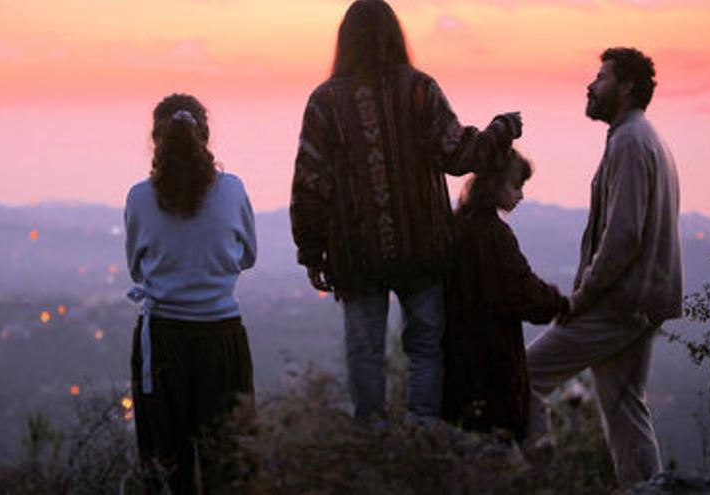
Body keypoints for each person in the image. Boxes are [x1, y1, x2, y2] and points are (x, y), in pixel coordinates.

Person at [290, 0, 523, 425]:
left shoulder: (325, 102)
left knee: (364, 350)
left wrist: (311, 251)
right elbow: (458, 153)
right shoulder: (419, 90)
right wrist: (501, 129)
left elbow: (310, 183)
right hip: (423, 246)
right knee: (425, 346)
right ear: (396, 36)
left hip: (357, 253)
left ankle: (373, 438)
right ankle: (424, 433)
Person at [526, 47, 682, 486]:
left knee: (524, 378)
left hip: (617, 304)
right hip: (641, 303)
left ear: (626, 86)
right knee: (625, 407)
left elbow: (623, 236)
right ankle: (646, 487)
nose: (590, 87)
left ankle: (537, 479)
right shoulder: (643, 137)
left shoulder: (631, 142)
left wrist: (581, 298)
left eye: (601, 77)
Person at [125, 93, 257, 494]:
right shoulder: (232, 191)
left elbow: (137, 267)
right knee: (229, 459)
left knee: (166, 462)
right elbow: (248, 256)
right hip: (222, 338)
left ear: (155, 139)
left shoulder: (140, 198)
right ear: (206, 136)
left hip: (163, 340)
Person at [442, 149, 568, 441]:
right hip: (492, 357)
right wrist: (558, 302)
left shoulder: (456, 226)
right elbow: (520, 290)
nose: (521, 195)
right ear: (494, 184)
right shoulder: (495, 235)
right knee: (501, 441)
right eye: (516, 186)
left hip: (456, 355)